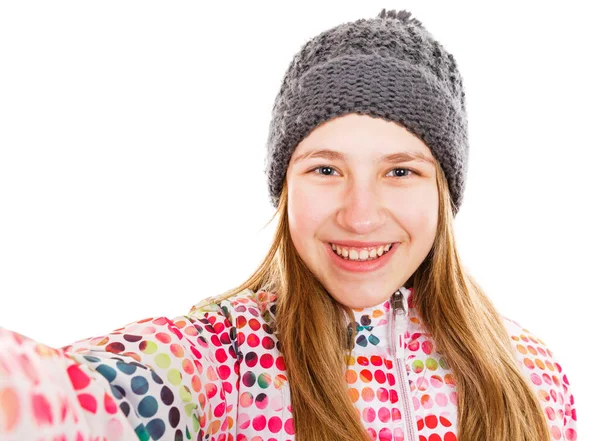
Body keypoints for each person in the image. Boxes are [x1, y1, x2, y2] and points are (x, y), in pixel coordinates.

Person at [0, 7, 578, 441]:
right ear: (284, 187)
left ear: (443, 193)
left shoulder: (531, 369)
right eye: (326, 169)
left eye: (400, 171)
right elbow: (97, 395)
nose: (360, 214)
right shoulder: (229, 357)